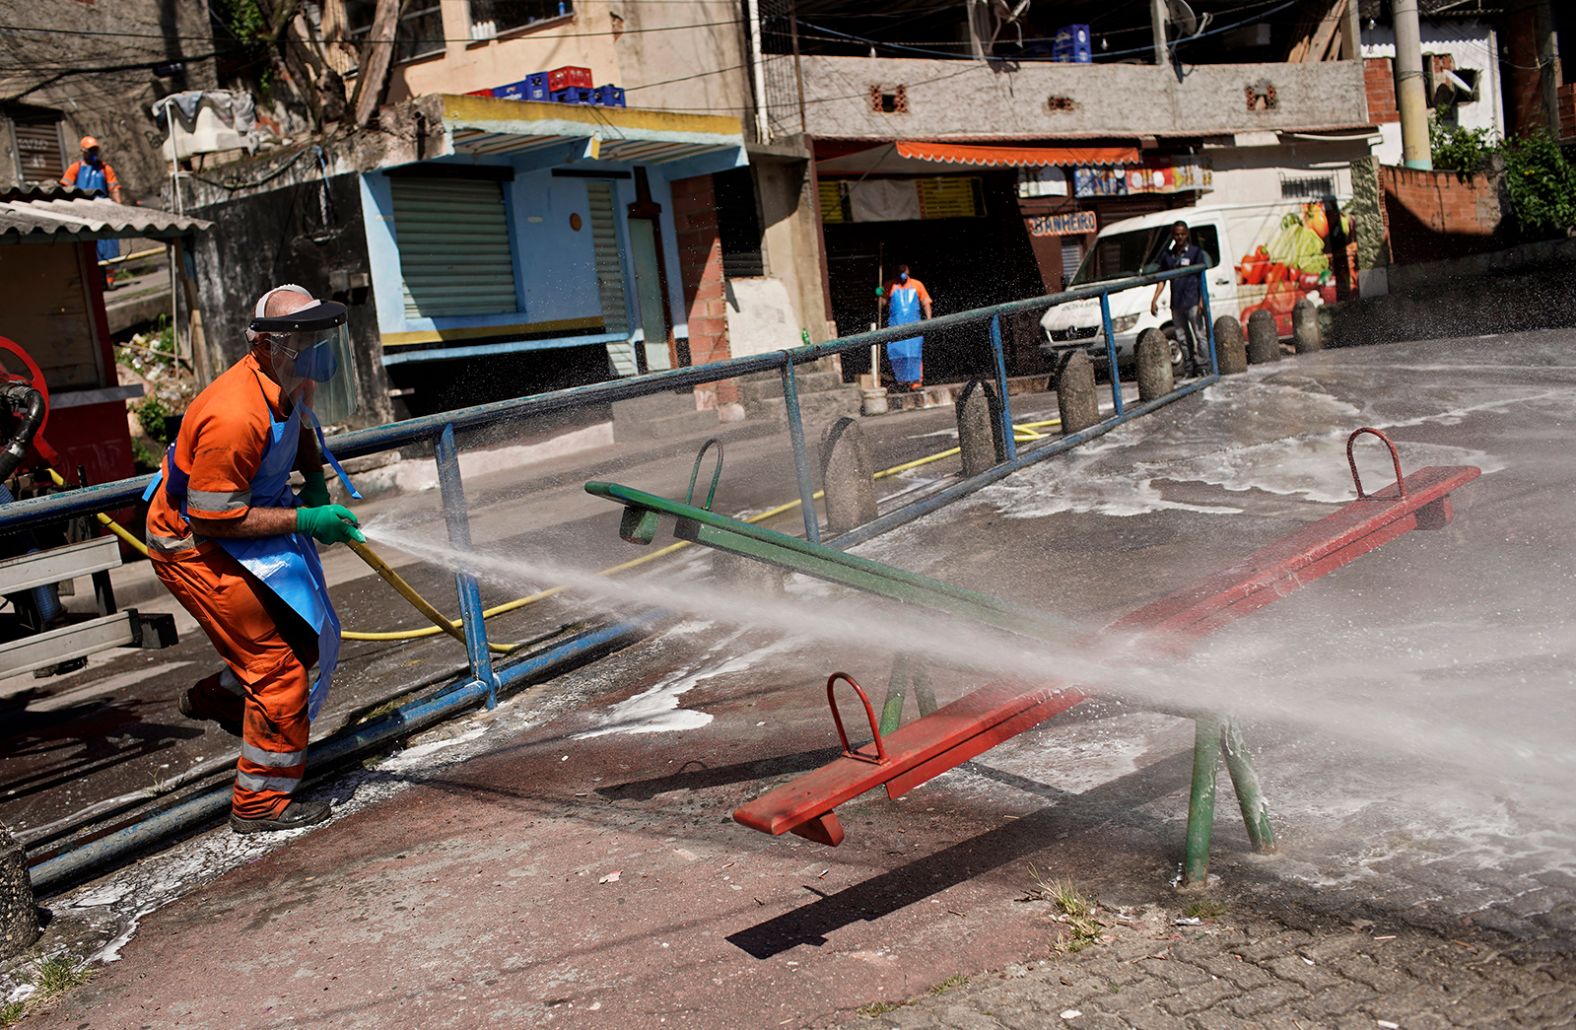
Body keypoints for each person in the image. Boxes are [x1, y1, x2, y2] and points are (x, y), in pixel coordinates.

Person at [143, 284, 364, 834]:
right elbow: (213, 517)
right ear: (267, 345)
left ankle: (216, 697)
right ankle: (259, 802)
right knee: (278, 673)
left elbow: (302, 424)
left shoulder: (289, 381)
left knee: (304, 637)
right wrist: (307, 521)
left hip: (241, 522)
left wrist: (314, 483)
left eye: (318, 340)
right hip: (194, 545)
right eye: (302, 342)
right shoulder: (234, 414)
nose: (313, 355)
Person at [60, 136, 124, 287]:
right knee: (89, 245)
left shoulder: (104, 168)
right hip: (85, 210)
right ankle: (93, 280)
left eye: (95, 149)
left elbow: (114, 188)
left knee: (108, 243)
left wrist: (119, 207)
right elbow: (65, 187)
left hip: (104, 209)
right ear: (83, 151)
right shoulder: (75, 168)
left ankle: (109, 279)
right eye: (90, 150)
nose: (94, 153)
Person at [1150, 221, 1209, 376]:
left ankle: (1204, 365)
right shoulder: (1168, 256)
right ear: (1173, 236)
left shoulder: (1195, 253)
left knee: (1199, 335)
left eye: (1182, 234)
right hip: (1176, 303)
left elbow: (1201, 277)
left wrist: (1202, 300)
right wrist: (1154, 299)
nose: (1180, 237)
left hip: (1193, 301)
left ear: (1187, 234)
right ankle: (1189, 368)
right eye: (1177, 234)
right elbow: (1162, 279)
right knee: (1182, 337)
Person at [883, 264, 932, 390]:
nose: (902, 275)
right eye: (900, 273)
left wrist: (929, 320)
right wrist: (880, 294)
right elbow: (882, 304)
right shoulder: (890, 286)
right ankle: (902, 381)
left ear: (908, 272)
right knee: (898, 353)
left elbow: (926, 302)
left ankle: (916, 381)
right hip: (896, 326)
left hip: (914, 325)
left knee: (914, 353)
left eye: (904, 272)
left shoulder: (917, 285)